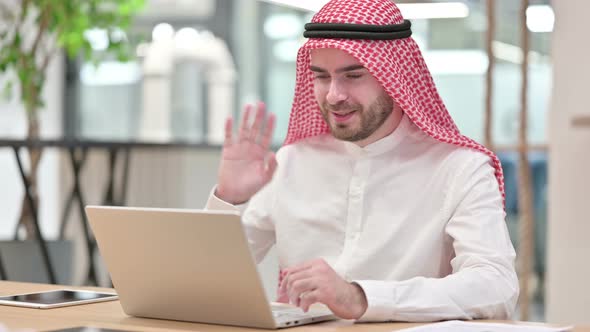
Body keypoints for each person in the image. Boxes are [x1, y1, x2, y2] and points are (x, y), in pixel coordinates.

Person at [205, 0, 519, 322]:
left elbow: (496, 285)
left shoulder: (460, 168)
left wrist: (361, 297)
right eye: (322, 77)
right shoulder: (292, 161)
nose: (333, 96)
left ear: (394, 75)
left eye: (353, 75)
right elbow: (206, 281)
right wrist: (230, 198)